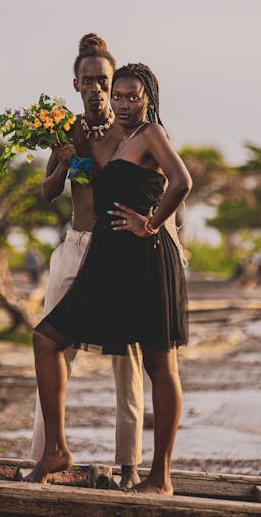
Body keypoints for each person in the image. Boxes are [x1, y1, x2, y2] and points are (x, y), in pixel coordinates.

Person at [32, 63, 192, 494]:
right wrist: (72, 151)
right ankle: (56, 449)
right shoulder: (105, 139)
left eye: (131, 96)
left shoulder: (151, 135)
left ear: (148, 100)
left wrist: (151, 223)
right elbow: (84, 188)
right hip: (106, 261)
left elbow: (182, 181)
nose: (122, 103)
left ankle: (159, 476)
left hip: (147, 260)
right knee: (46, 338)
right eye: (117, 96)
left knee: (159, 365)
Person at [31, 34, 143, 490]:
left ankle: (130, 467)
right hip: (75, 247)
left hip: (118, 248)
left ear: (114, 83)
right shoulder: (65, 130)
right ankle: (43, 455)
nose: (96, 89)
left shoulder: (132, 132)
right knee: (52, 349)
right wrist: (61, 161)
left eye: (104, 80)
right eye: (88, 81)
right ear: (75, 84)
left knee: (128, 359)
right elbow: (47, 191)